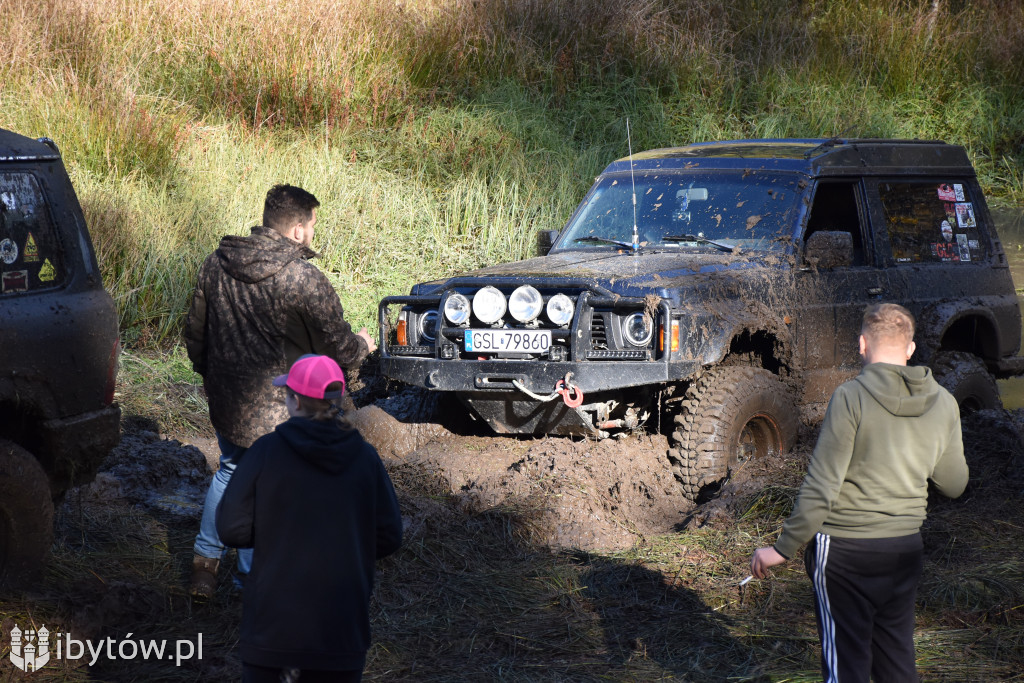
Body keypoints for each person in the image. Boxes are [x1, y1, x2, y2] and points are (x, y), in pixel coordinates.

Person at [750, 303, 968, 682]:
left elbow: (822, 485)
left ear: (862, 345)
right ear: (911, 349)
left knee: (845, 666)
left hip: (845, 552)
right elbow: (954, 484)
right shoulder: (945, 403)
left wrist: (781, 549)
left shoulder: (850, 397)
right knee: (896, 660)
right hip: (903, 549)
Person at [184, 184, 377, 597]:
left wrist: (209, 375)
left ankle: (204, 565)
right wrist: (364, 345)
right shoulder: (302, 278)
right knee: (269, 487)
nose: (313, 233)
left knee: (232, 469)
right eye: (312, 225)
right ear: (297, 231)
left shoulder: (216, 263)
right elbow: (338, 347)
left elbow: (195, 333)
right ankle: (251, 580)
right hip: (281, 406)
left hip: (227, 399)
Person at [216, 354, 402, 683]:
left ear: (295, 401)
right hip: (341, 636)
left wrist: (276, 534)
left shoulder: (264, 452)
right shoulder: (365, 458)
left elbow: (231, 528)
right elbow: (389, 536)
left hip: (272, 635)